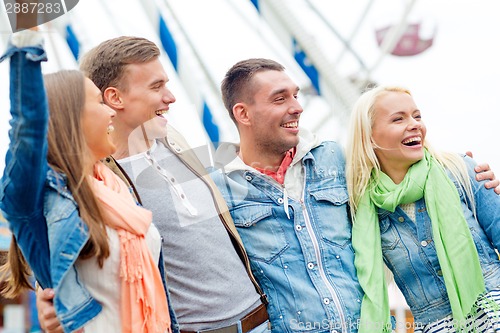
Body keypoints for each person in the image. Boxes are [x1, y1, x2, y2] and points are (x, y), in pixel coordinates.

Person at [210, 58, 500, 333]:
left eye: (296, 95)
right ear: (242, 113)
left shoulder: (334, 159)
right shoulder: (217, 190)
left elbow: (397, 164)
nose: (297, 107)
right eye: (280, 98)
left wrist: (467, 169)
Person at [37, 36, 270, 333]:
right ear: (115, 98)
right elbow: (48, 239)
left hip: (261, 321)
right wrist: (47, 296)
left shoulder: (172, 139)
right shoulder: (95, 180)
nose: (170, 97)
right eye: (156, 87)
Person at [0, 29, 175, 332]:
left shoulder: (115, 189)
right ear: (73, 117)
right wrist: (26, 42)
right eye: (99, 102)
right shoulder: (42, 200)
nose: (111, 112)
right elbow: (27, 127)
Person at [345, 85, 500, 332]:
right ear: (370, 137)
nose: (415, 124)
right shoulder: (361, 208)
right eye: (398, 119)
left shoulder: (461, 170)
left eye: (417, 116)